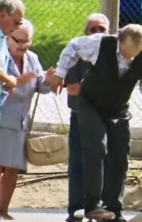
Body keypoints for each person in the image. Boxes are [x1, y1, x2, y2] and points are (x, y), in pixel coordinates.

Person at [47, 24, 142, 221]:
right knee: (96, 147)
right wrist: (60, 73)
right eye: (126, 54)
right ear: (120, 41)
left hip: (118, 110)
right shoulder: (101, 43)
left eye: (134, 56)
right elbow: (73, 46)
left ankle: (113, 210)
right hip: (90, 103)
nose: (129, 59)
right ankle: (92, 204)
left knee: (120, 157)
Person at [0, 19, 55, 220]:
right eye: (19, 41)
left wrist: (49, 80)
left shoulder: (32, 58)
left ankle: (3, 210)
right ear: (8, 38)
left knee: (13, 168)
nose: (23, 45)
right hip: (1, 118)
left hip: (19, 121)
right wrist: (10, 84)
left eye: (27, 41)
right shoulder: (1, 57)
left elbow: (41, 85)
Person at [64, 13, 110, 222]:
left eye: (102, 29)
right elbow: (72, 88)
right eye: (93, 29)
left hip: (107, 119)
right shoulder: (75, 54)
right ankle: (75, 210)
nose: (98, 34)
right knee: (77, 164)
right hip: (80, 118)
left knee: (108, 164)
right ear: (85, 33)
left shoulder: (115, 56)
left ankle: (105, 208)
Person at [0, 0, 26, 117]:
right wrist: (8, 79)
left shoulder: (3, 38)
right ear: (3, 15)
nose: (17, 28)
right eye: (16, 22)